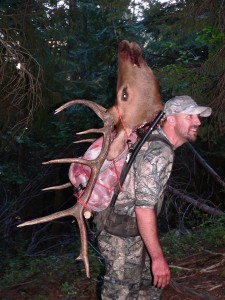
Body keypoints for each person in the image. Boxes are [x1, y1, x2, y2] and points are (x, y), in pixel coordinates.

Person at [97, 95, 212, 300]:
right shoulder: (159, 152)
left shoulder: (154, 143)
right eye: (190, 116)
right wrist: (157, 258)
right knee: (121, 294)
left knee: (147, 289)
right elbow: (143, 208)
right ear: (172, 119)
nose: (198, 121)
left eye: (198, 117)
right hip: (123, 237)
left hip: (129, 232)